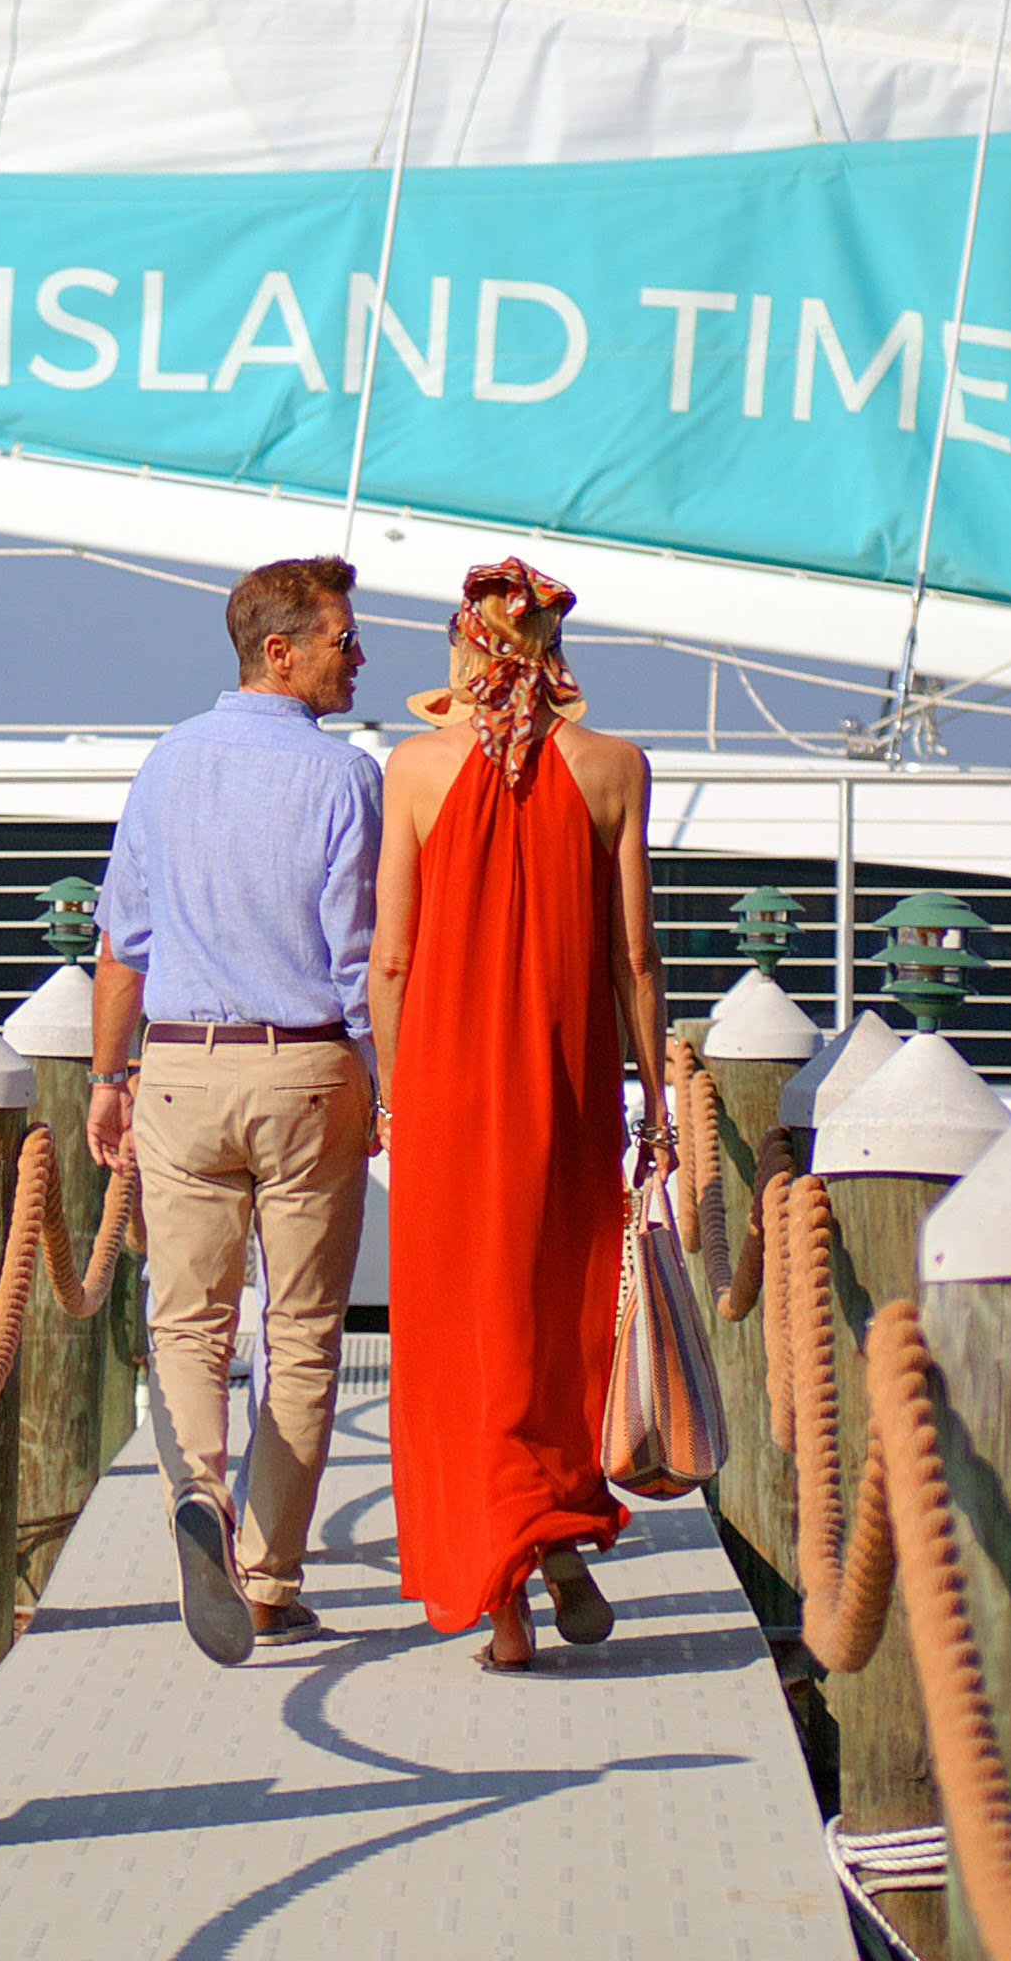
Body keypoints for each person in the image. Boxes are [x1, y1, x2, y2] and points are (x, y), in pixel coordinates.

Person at [371, 558, 677, 1671]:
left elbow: (393, 956)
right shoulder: (613, 768)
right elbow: (634, 956)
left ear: (466, 646)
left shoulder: (411, 769)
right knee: (555, 1315)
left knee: (460, 1327)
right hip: (565, 1080)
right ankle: (550, 1531)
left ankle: (502, 1586)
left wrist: (396, 1098)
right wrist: (654, 1098)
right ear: (553, 649)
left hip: (447, 1090)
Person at [89, 555, 380, 1665]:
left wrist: (107, 1079)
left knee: (187, 1319)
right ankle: (264, 1581)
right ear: (282, 649)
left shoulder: (166, 764)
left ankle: (196, 1492)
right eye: (344, 639)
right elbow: (360, 963)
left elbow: (125, 944)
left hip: (178, 1066)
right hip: (304, 1069)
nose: (359, 658)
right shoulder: (346, 781)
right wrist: (381, 1083)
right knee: (301, 1332)